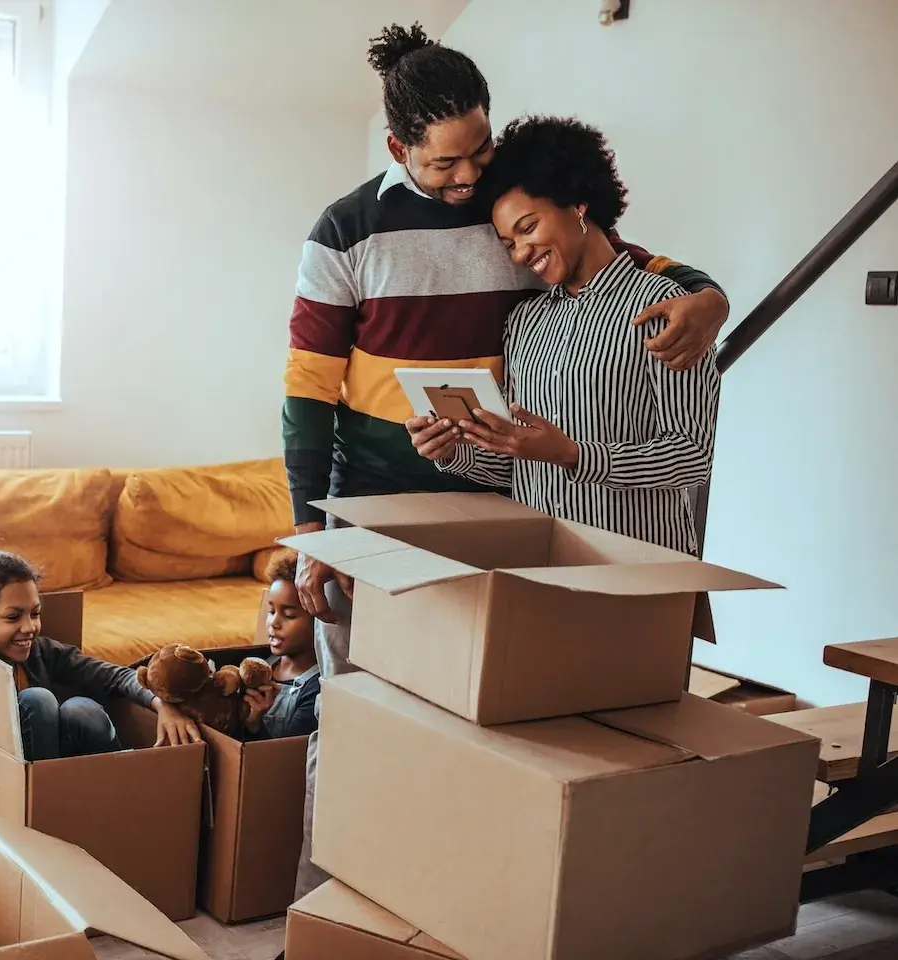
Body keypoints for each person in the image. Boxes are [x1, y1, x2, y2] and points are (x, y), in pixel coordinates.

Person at [284, 23, 731, 903]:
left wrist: (710, 296)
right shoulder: (346, 232)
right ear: (397, 149)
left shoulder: (526, 222)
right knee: (359, 719)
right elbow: (306, 394)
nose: (467, 178)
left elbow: (635, 266)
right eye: (446, 163)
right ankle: (334, 909)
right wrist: (311, 531)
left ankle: (467, 904)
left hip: (523, 532)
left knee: (494, 740)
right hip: (389, 508)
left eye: (479, 152)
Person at [407, 115, 719, 554]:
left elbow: (690, 457)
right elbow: (520, 465)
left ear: (577, 203)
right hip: (540, 566)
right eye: (508, 244)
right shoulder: (525, 322)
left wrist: (574, 455)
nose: (521, 252)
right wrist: (452, 452)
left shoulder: (664, 306)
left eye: (528, 227)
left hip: (639, 569)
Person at [0, 536, 201, 760]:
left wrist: (161, 704)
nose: (30, 627)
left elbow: (116, 676)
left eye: (35, 613)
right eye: (13, 617)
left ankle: (117, 789)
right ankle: (44, 796)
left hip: (67, 778)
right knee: (38, 700)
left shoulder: (43, 652)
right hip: (5, 780)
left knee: (81, 708)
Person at [242, 551, 320, 741]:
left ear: (319, 621)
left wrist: (254, 724)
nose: (273, 623)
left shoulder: (315, 691)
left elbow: (284, 758)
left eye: (289, 615)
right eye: (271, 611)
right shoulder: (263, 664)